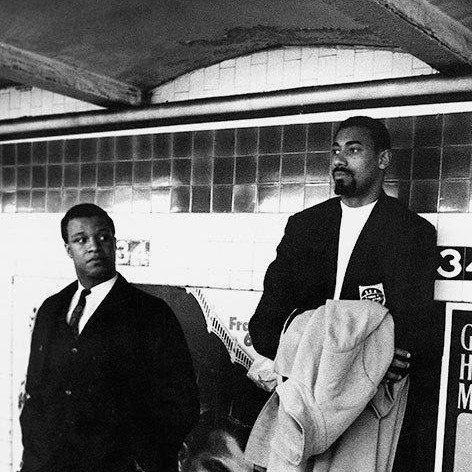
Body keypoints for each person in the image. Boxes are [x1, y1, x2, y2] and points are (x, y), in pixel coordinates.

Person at [248, 116, 441, 471]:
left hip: (365, 409)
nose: (339, 160)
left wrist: (329, 349)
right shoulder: (304, 227)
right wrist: (331, 355)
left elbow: (409, 338)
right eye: (336, 150)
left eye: (353, 150)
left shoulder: (412, 234)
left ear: (383, 159)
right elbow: (263, 325)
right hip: (299, 401)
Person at [20, 203, 200, 472]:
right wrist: (34, 460)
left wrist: (139, 459)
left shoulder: (150, 313)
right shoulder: (51, 309)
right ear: (68, 249)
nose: (93, 246)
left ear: (115, 244)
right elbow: (35, 393)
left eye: (102, 237)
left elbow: (182, 403)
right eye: (81, 240)